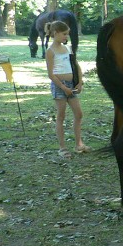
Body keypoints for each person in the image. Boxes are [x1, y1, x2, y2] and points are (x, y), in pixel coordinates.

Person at [45, 20, 90, 158]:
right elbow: (51, 74)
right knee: (61, 116)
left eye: (67, 34)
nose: (66, 37)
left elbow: (76, 66)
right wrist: (63, 87)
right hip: (60, 86)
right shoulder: (50, 51)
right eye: (64, 34)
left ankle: (79, 144)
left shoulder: (68, 48)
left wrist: (80, 82)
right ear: (55, 33)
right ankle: (62, 148)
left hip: (72, 85)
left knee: (79, 114)